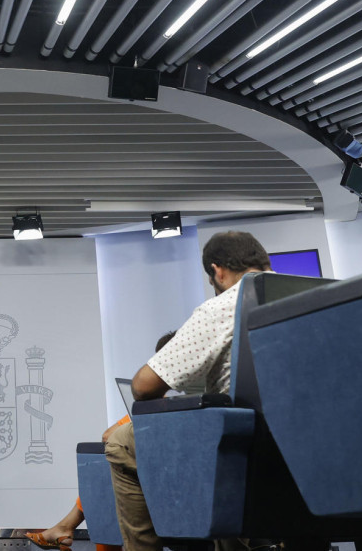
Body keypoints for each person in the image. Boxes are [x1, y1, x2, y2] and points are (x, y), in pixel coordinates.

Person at [105, 232, 271, 551]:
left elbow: (143, 386)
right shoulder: (317, 290)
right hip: (311, 447)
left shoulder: (224, 306)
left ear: (217, 271)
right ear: (266, 263)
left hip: (247, 446)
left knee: (122, 441)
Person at [26, 331, 178, 551]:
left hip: (175, 487)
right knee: (108, 467)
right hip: (164, 478)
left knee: (108, 467)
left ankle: (66, 526)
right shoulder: (167, 400)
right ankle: (65, 526)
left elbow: (109, 436)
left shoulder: (175, 401)